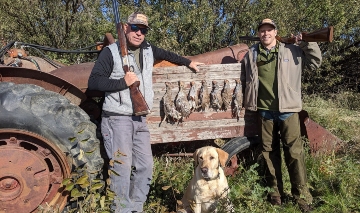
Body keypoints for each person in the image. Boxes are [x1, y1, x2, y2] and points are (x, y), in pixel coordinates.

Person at [88, 12, 203, 213]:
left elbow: (168, 55)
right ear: (125, 28)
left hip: (140, 119)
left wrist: (188, 62)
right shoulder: (111, 52)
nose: (139, 33)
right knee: (121, 168)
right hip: (117, 118)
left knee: (145, 166)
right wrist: (123, 83)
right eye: (135, 28)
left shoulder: (149, 49)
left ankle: (136, 207)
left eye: (143, 30)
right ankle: (121, 209)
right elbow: (94, 82)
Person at [241, 18, 322, 212]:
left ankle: (302, 197)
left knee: (294, 153)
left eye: (269, 30)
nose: (266, 33)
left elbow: (315, 63)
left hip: (288, 111)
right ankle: (275, 193)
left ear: (276, 32)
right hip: (264, 111)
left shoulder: (292, 50)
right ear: (259, 33)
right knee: (269, 154)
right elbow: (244, 78)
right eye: (262, 30)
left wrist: (307, 42)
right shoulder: (251, 54)